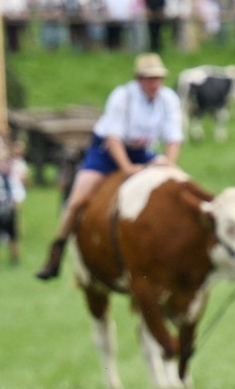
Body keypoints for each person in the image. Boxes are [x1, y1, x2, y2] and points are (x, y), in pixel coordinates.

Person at [36, 53, 183, 281]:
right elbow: (113, 137)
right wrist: (126, 168)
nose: (154, 84)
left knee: (179, 186)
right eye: (149, 78)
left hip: (142, 151)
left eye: (158, 79)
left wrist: (170, 165)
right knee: (77, 200)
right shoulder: (123, 96)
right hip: (106, 151)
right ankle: (57, 251)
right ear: (139, 79)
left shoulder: (168, 99)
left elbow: (174, 136)